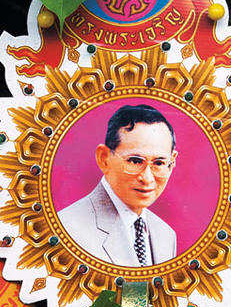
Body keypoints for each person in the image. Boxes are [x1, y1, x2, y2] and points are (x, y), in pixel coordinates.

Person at [57, 104, 178, 267]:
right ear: (104, 158)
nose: (147, 178)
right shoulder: (66, 229)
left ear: (173, 160)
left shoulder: (166, 235)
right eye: (134, 161)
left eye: (159, 162)